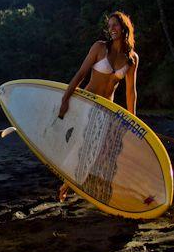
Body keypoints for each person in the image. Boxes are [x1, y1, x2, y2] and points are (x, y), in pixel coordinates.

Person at [56, 11, 139, 202]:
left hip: (106, 109)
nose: (112, 29)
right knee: (81, 144)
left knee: (96, 150)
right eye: (109, 26)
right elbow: (81, 74)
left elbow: (130, 92)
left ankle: (70, 185)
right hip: (87, 103)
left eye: (115, 25)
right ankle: (67, 184)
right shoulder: (99, 48)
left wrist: (132, 121)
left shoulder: (131, 58)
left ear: (124, 27)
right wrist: (65, 100)